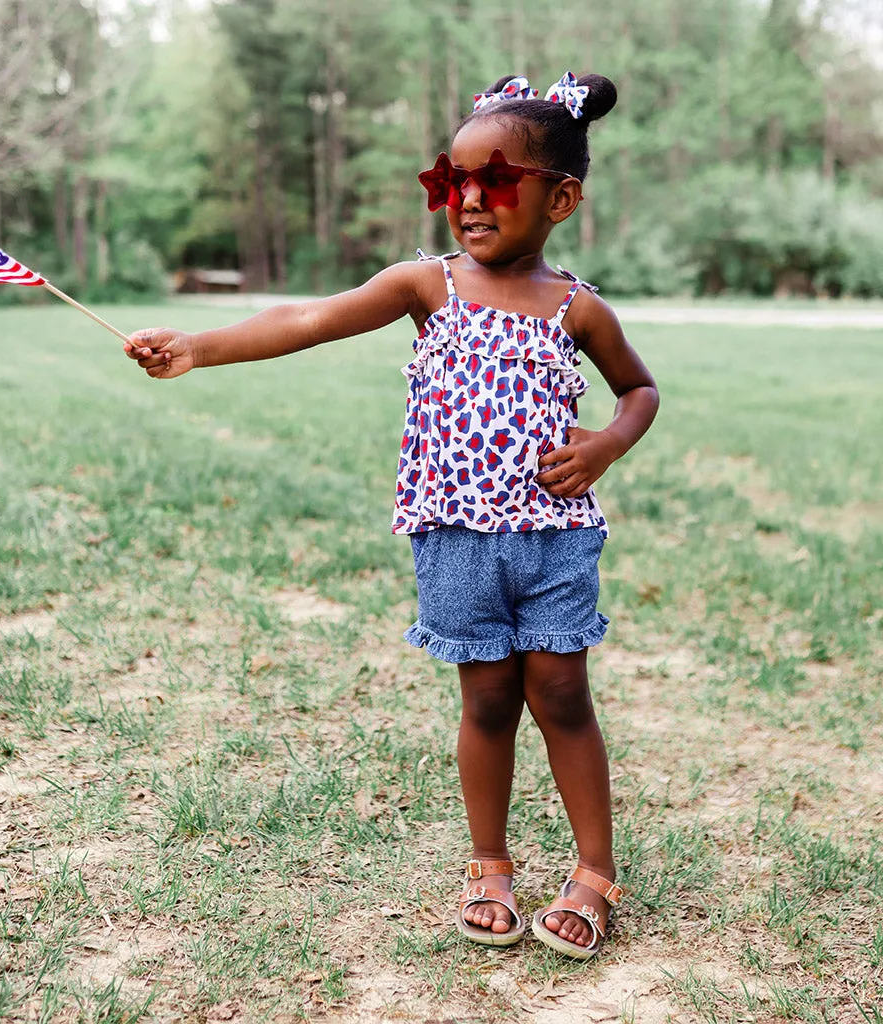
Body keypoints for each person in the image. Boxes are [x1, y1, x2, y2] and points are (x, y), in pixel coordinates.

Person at [125, 71, 658, 960]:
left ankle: (594, 869)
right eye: (454, 181)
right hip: (453, 540)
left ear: (560, 198)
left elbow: (639, 389)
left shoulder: (578, 307)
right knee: (487, 699)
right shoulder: (428, 287)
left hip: (555, 537)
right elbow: (309, 319)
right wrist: (197, 349)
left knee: (561, 692)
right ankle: (490, 865)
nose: (471, 200)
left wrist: (606, 442)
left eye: (499, 182)